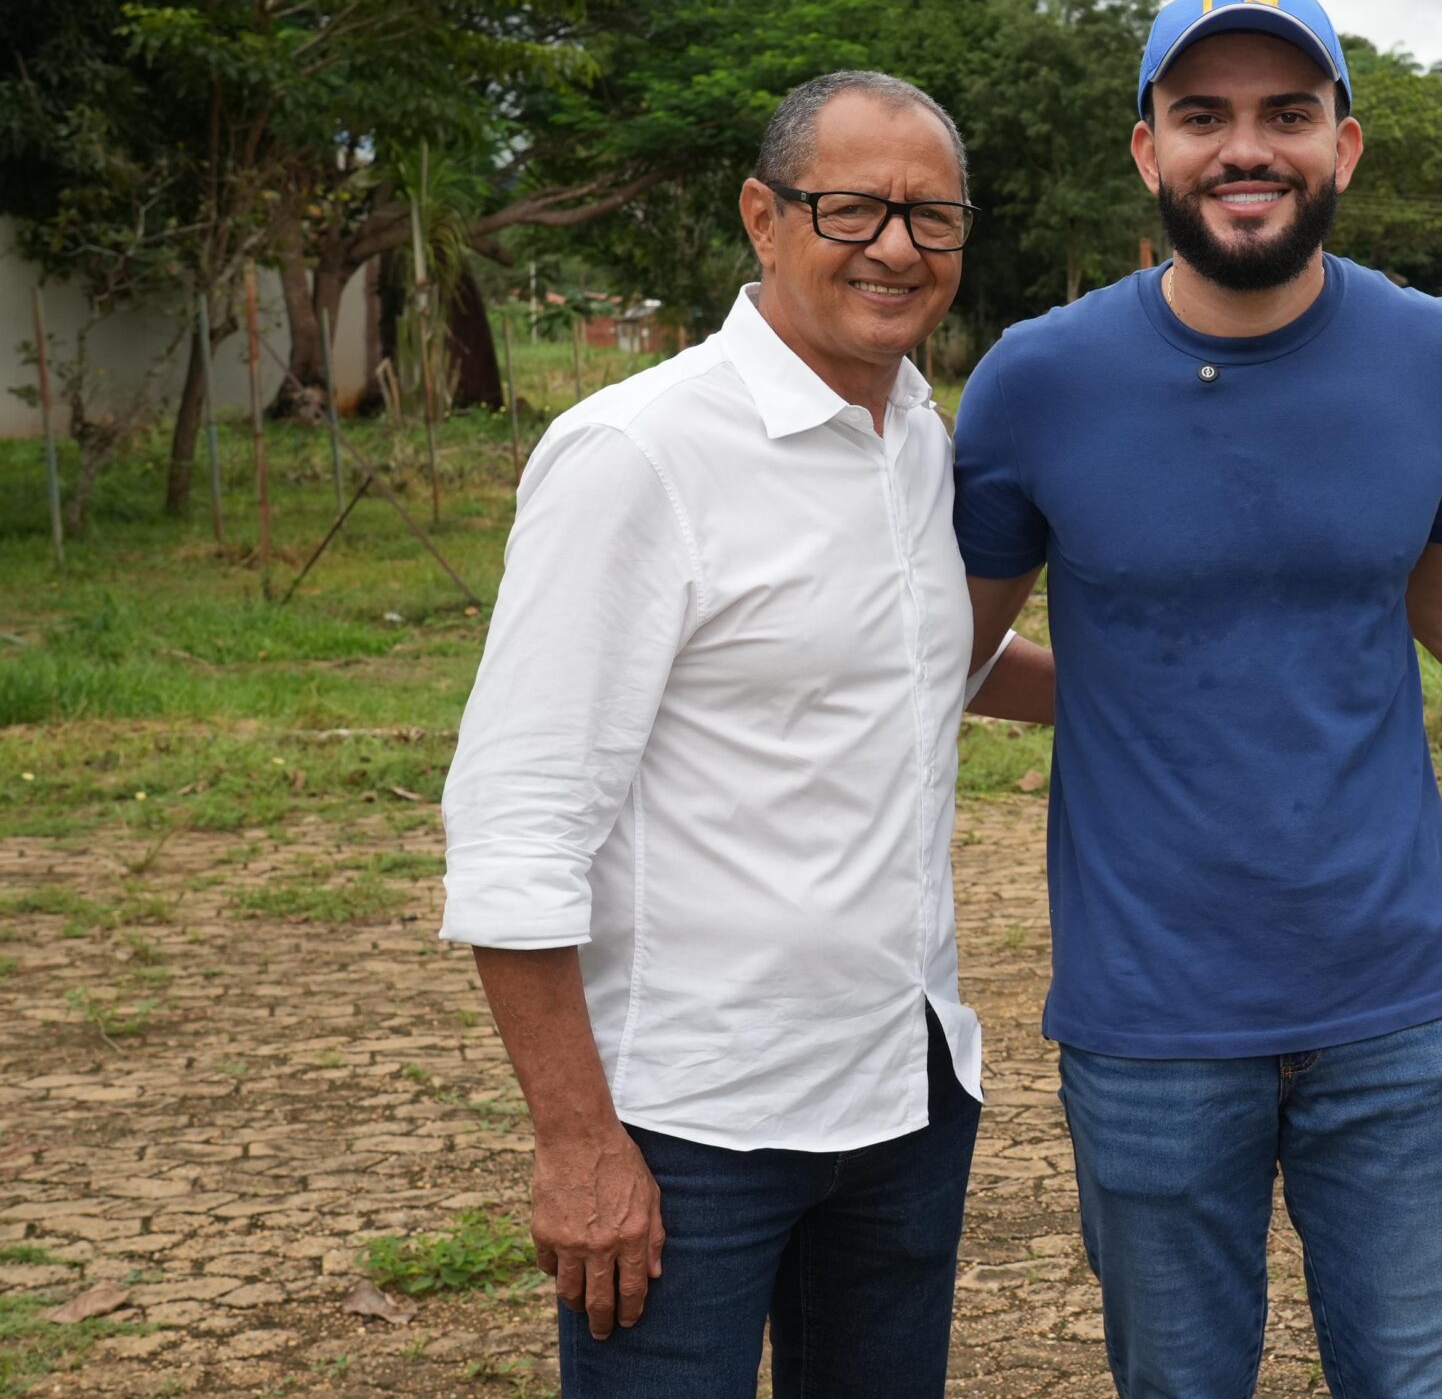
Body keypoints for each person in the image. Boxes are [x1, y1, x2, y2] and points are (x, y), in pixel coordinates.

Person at [953, 0, 1442, 1399]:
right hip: (1151, 1019)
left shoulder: (1428, 353)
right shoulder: (1037, 382)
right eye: (1203, 114)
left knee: (1420, 1383)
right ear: (1148, 150)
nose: (1247, 147)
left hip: (1401, 1007)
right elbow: (950, 653)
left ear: (1343, 146)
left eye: (1287, 113)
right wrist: (1112, 695)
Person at [440, 69, 1052, 1398]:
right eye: (855, 209)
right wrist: (576, 1143)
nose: (897, 247)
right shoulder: (640, 455)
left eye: (933, 218)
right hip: (689, 1122)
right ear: (763, 218)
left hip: (904, 1088)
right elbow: (517, 821)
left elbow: (918, 656)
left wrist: (1146, 689)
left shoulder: (912, 437)